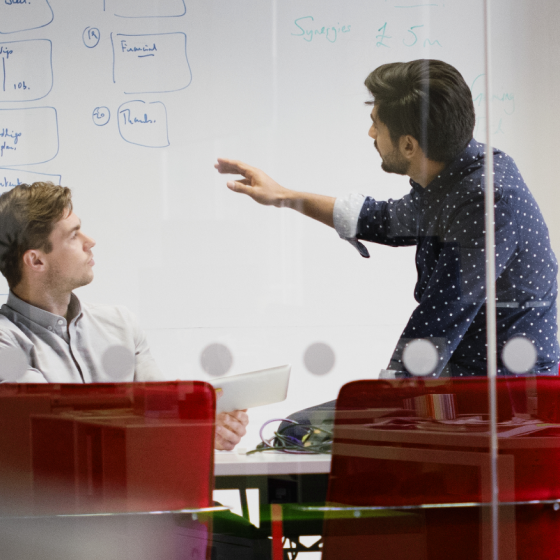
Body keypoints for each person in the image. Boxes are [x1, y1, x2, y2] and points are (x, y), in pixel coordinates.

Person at [216, 59, 559, 377]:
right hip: (468, 382)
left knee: (308, 430)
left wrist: (384, 402)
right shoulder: (455, 172)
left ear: (409, 145)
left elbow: (438, 320)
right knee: (304, 428)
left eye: (375, 125)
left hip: (510, 400)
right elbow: (385, 220)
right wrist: (283, 196)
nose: (370, 135)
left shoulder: (488, 199)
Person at [0, 182, 248, 450]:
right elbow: (54, 435)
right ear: (36, 261)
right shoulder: (6, 343)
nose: (90, 241)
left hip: (141, 484)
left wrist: (206, 426)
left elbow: (164, 414)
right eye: (73, 236)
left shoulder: (120, 324)